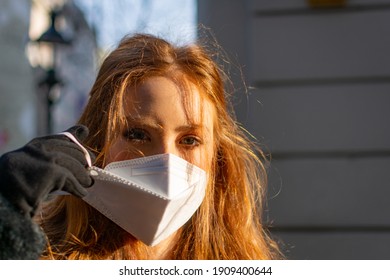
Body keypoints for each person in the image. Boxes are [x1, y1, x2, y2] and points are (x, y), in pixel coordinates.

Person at [0, 33, 280, 260]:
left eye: (189, 140)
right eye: (137, 135)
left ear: (217, 157)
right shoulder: (39, 256)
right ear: (97, 143)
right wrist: (7, 214)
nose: (167, 161)